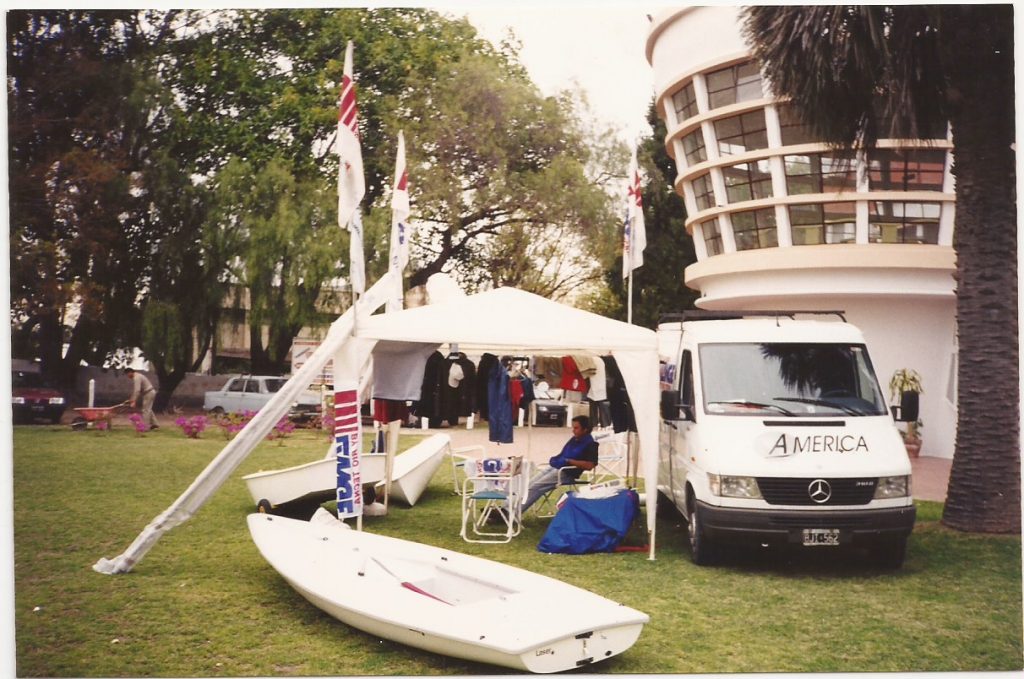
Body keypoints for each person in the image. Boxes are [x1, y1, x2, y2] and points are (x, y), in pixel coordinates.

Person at [520, 415, 598, 513]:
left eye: (576, 428)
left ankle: (514, 512)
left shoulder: (591, 444)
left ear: (585, 429)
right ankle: (507, 507)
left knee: (536, 486)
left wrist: (569, 461)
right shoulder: (575, 439)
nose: (573, 431)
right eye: (573, 428)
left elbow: (590, 465)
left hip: (567, 472)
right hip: (558, 466)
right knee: (529, 483)